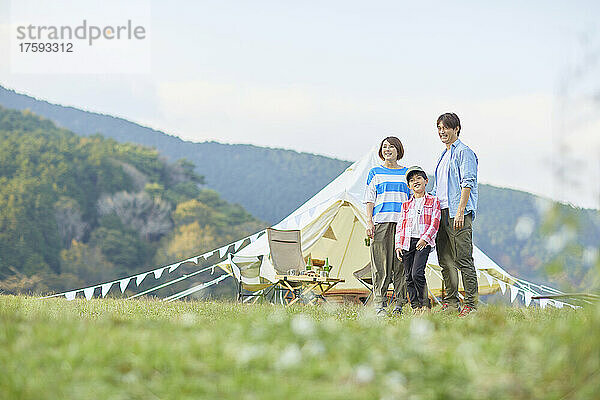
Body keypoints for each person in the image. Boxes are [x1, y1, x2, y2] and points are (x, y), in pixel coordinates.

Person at [432, 113, 479, 316]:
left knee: (463, 259)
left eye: (446, 128)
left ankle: (471, 305)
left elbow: (467, 182)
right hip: (441, 213)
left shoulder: (464, 152)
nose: (442, 132)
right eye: (439, 128)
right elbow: (438, 189)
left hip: (457, 212)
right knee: (445, 260)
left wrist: (460, 212)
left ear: (456, 128)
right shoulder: (443, 155)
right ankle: (450, 303)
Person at [364, 137, 409, 316]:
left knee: (401, 265)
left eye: (391, 147)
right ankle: (379, 304)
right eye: (384, 147)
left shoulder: (407, 173)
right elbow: (369, 199)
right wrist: (369, 221)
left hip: (403, 224)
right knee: (380, 264)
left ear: (399, 150)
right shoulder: (375, 172)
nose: (387, 150)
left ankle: (399, 304)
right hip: (380, 222)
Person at [394, 166, 441, 314]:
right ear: (409, 186)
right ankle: (415, 307)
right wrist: (398, 246)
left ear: (426, 181)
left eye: (418, 178)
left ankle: (425, 305)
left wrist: (425, 239)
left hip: (423, 242)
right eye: (412, 180)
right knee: (408, 276)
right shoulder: (406, 205)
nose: (415, 182)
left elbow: (435, 222)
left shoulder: (433, 201)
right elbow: (400, 226)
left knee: (417, 273)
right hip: (407, 242)